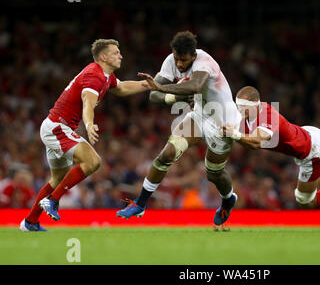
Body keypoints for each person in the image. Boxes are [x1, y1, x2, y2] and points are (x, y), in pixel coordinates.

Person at [20, 39, 151, 231]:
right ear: (103, 57)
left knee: (57, 180)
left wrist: (148, 85)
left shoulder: (105, 76)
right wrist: (89, 124)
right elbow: (88, 103)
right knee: (93, 162)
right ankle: (53, 201)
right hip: (58, 128)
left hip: (55, 127)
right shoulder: (94, 76)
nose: (121, 55)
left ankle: (30, 222)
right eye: (116, 52)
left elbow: (122, 88)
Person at [116, 31, 241, 226]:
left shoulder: (205, 61)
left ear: (193, 55)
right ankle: (140, 203)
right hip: (199, 115)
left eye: (183, 60)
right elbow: (153, 96)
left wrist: (163, 88)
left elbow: (195, 86)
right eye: (177, 59)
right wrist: (176, 97)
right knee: (168, 153)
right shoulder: (170, 61)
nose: (179, 64)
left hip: (223, 121)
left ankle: (228, 199)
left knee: (214, 173)